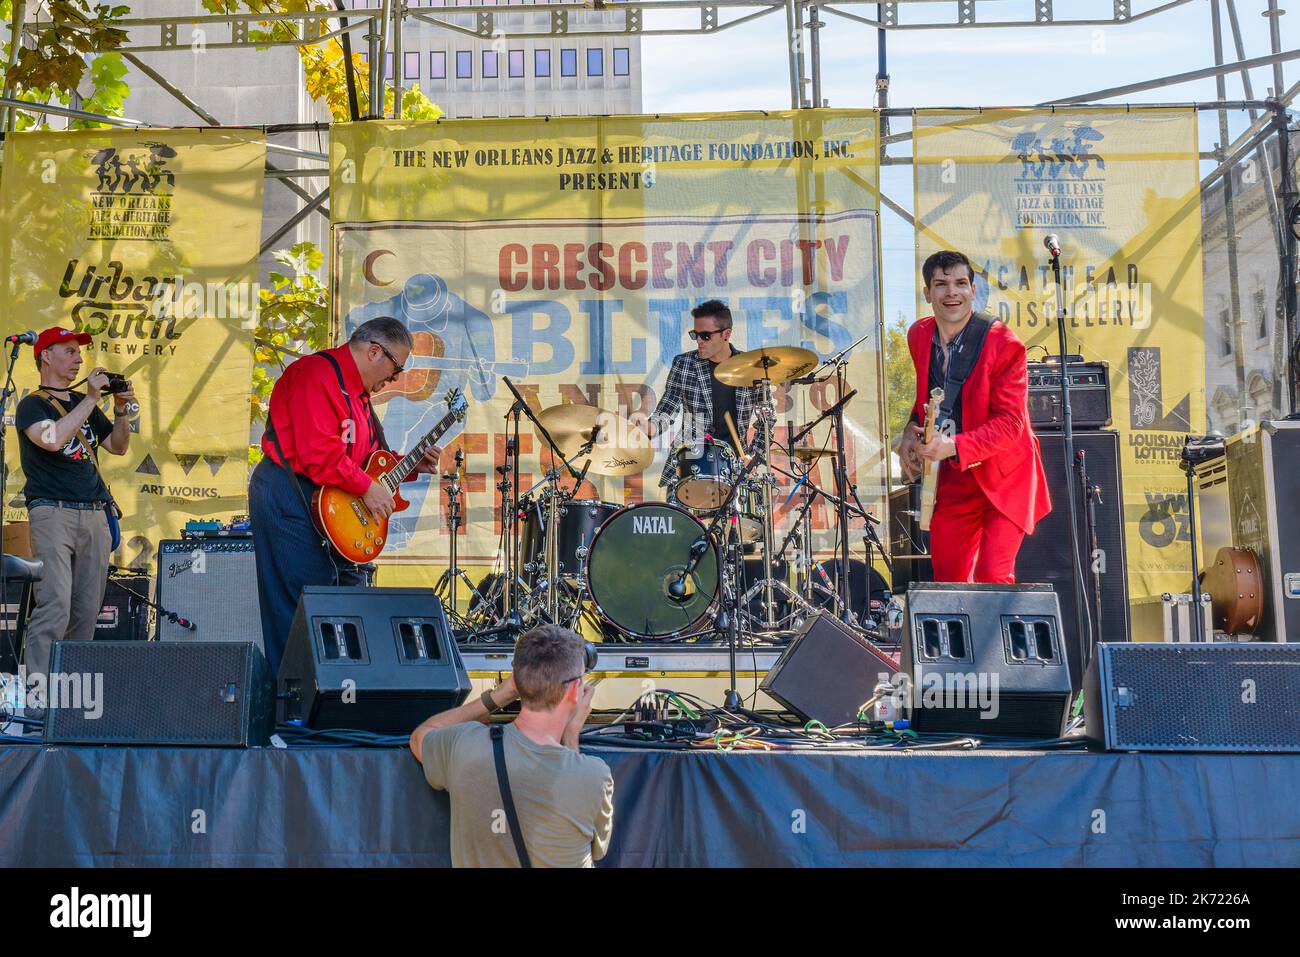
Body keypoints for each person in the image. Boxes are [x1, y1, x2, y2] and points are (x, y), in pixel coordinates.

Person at [250, 317, 441, 672]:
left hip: (330, 503)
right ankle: (293, 711)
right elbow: (318, 454)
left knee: (337, 605)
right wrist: (367, 488)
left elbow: (367, 463)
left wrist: (411, 465)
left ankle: (334, 698)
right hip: (288, 492)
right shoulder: (315, 374)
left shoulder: (359, 398)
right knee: (297, 608)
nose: (394, 379)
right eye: (396, 368)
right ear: (374, 352)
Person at [898, 250, 1051, 583]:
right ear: (928, 293)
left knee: (993, 576)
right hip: (954, 477)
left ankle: (994, 638)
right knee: (948, 581)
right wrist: (910, 430)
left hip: (1004, 474)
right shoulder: (919, 335)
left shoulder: (1005, 343)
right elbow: (930, 397)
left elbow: (1012, 425)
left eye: (960, 283)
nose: (951, 292)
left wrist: (951, 445)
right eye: (941, 284)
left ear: (973, 290)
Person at [410, 625, 614, 868]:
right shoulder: (594, 776)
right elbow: (596, 849)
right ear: (572, 691)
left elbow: (421, 736)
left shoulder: (463, 746)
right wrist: (571, 737)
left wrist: (499, 696)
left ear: (516, 681)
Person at [15, 327, 136, 713]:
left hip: (93, 513)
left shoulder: (86, 405)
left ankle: (69, 706)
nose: (78, 359)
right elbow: (50, 438)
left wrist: (120, 410)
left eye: (79, 353)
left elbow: (117, 447)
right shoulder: (32, 405)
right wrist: (90, 400)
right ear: (45, 356)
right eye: (69, 351)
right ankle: (36, 706)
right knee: (54, 607)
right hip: (52, 512)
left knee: (86, 611)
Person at [650, 299, 763, 490]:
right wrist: (648, 428)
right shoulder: (683, 364)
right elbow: (667, 409)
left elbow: (767, 420)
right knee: (682, 520)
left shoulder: (751, 367)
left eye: (705, 336)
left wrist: (753, 456)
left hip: (734, 467)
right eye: (696, 334)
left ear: (726, 334)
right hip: (690, 464)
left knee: (742, 519)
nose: (699, 341)